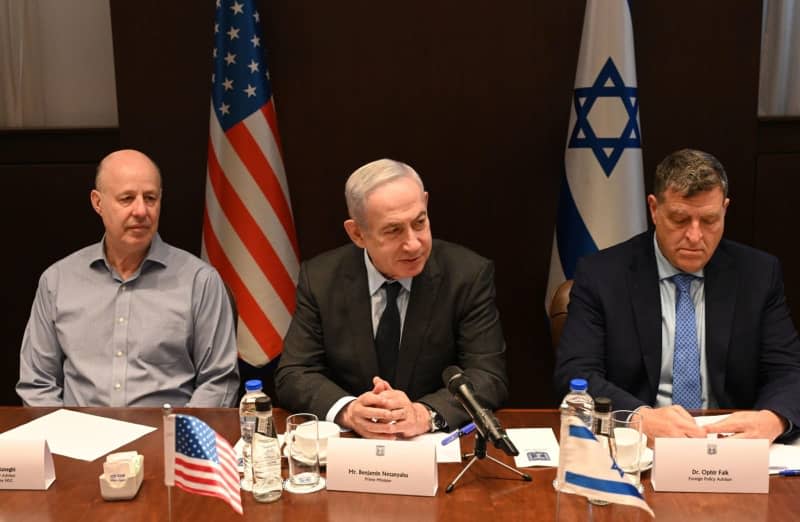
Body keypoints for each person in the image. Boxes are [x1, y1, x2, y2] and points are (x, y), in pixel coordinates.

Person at [554, 148, 800, 442]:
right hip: (639, 446)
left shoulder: (758, 274)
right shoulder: (602, 275)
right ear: (654, 209)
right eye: (680, 219)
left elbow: (789, 371)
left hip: (729, 448)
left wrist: (771, 419)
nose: (695, 236)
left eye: (709, 221)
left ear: (725, 209)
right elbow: (575, 373)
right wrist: (637, 417)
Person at [275, 158, 508, 439]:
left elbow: (487, 375)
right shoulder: (321, 278)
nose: (413, 243)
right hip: (354, 450)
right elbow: (294, 372)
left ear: (425, 203)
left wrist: (424, 414)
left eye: (420, 222)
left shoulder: (467, 275)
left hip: (433, 448)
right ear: (357, 233)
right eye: (393, 230)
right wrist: (348, 410)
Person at [17, 149, 240, 407]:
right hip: (78, 441)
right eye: (127, 198)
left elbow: (219, 381)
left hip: (166, 440)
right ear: (97, 202)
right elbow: (37, 384)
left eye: (150, 198)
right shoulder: (57, 281)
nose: (141, 210)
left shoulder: (200, 282)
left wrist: (177, 440)